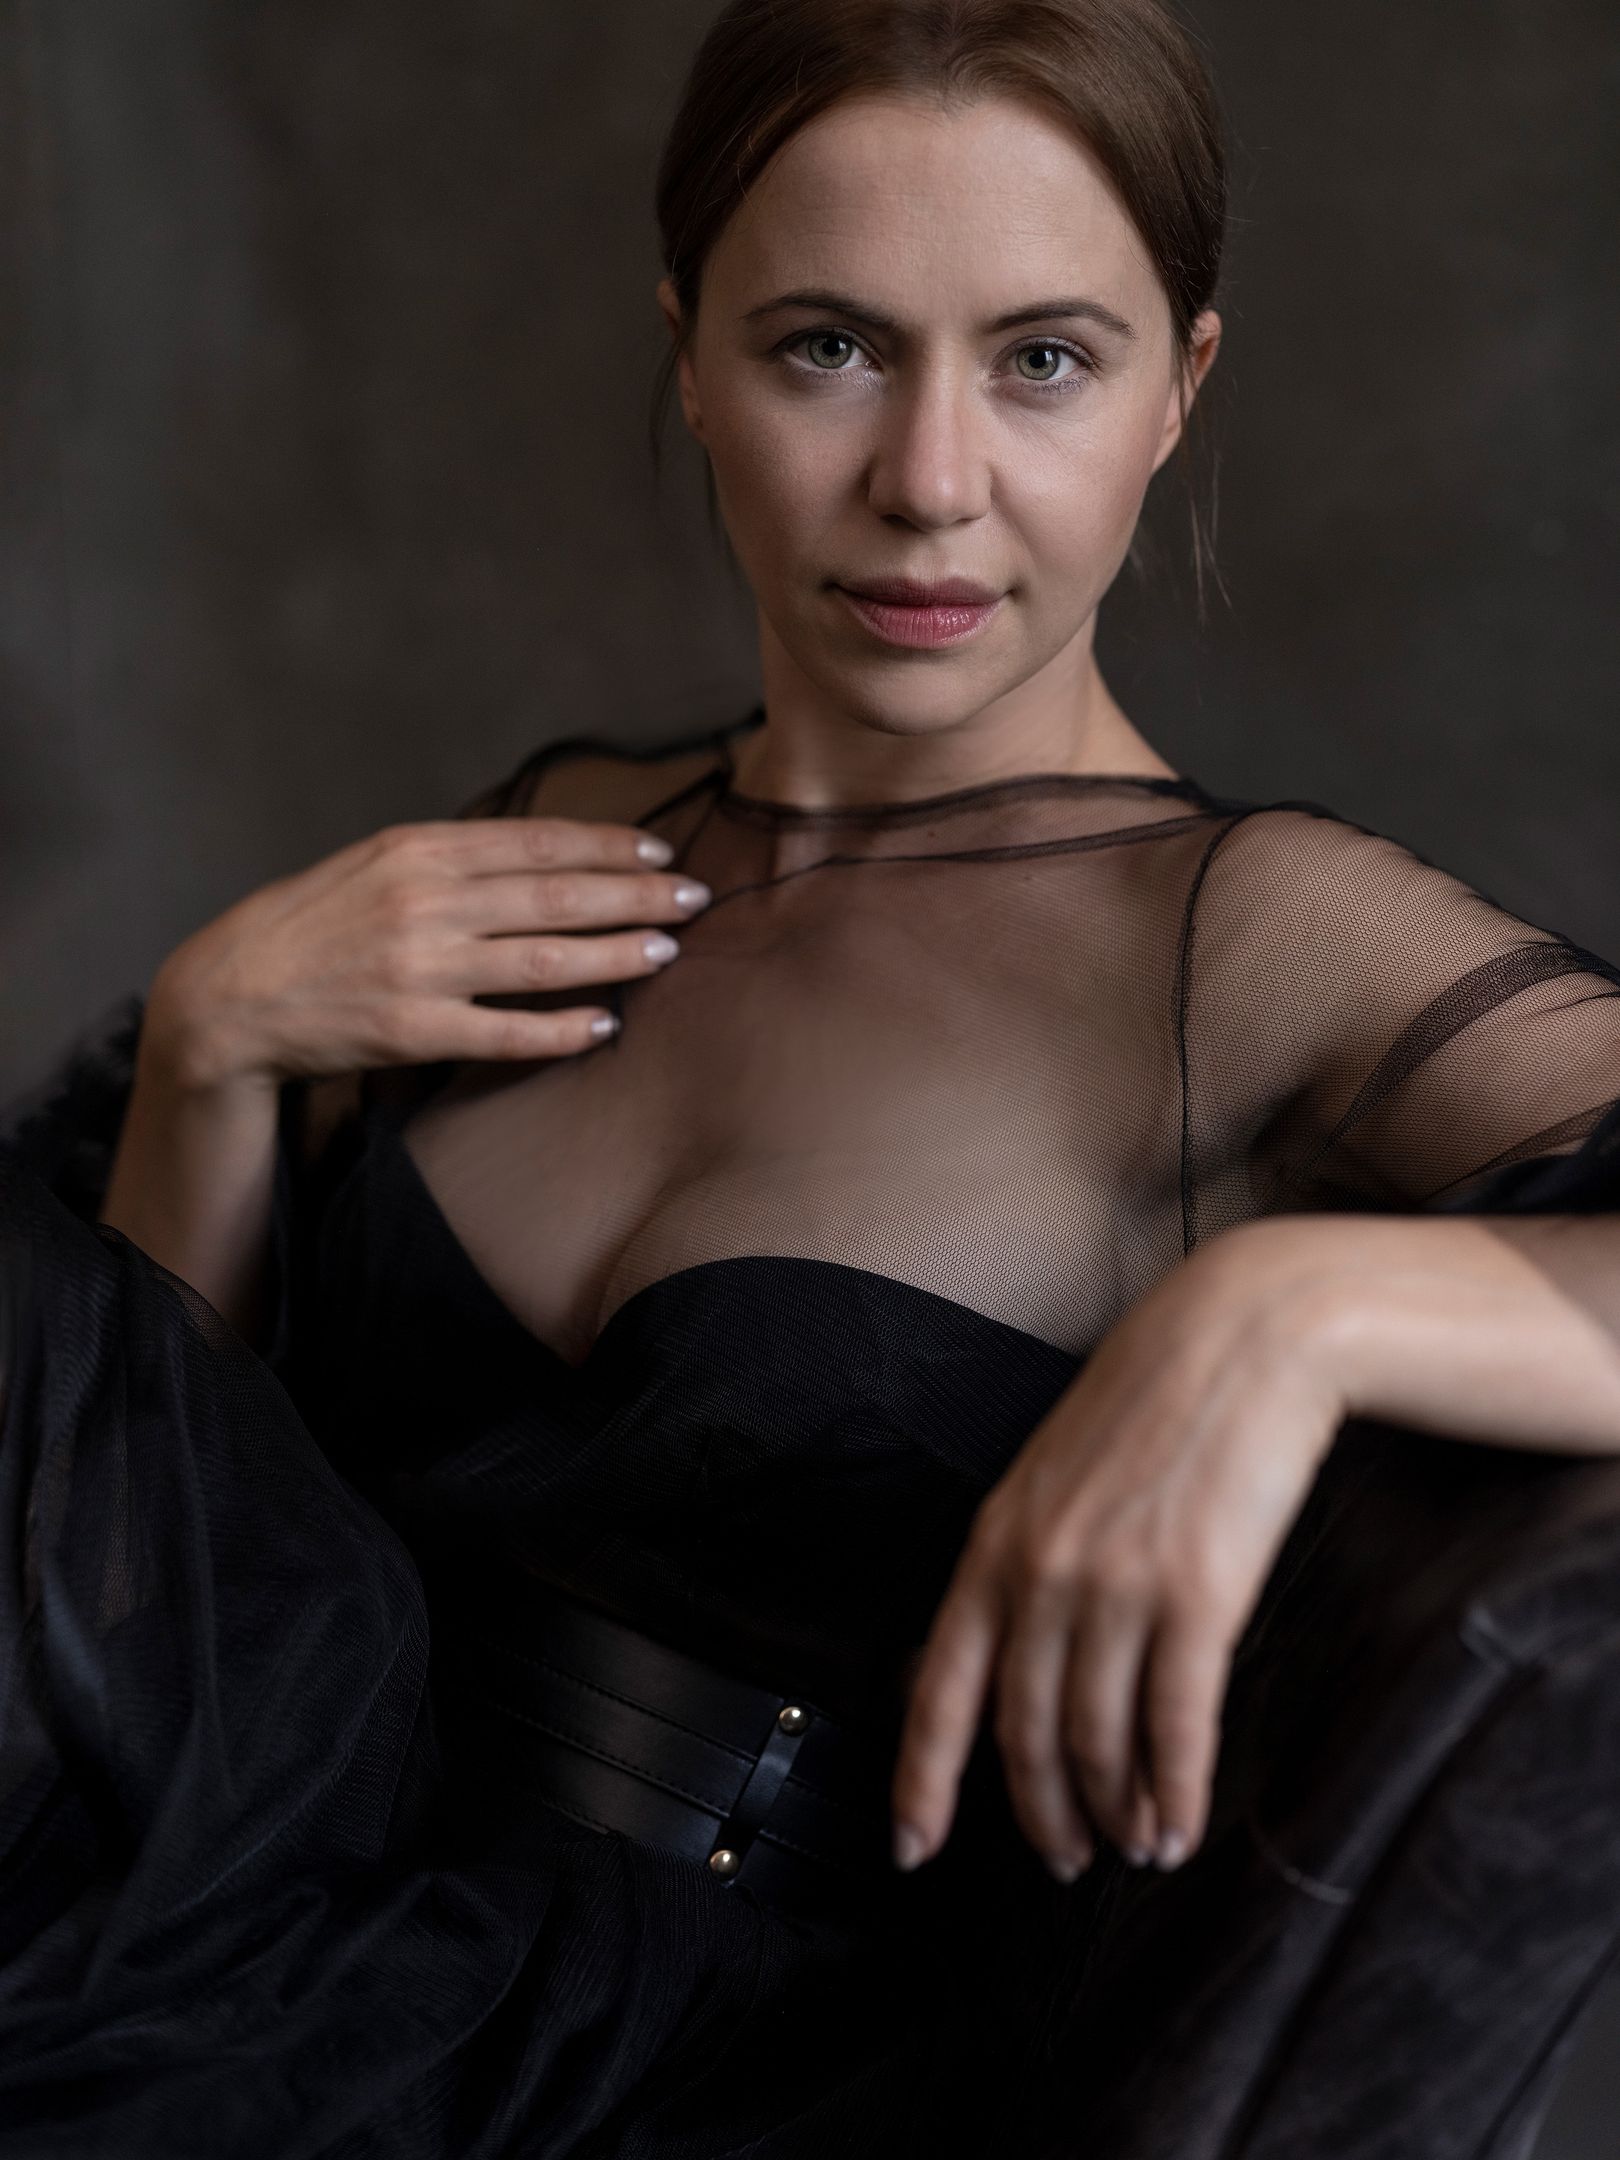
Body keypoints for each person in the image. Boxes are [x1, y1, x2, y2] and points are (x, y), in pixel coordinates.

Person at [3, 0, 1619, 2152]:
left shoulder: (1245, 950)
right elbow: (141, 1597)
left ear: (1180, 388)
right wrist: (210, 1050)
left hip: (726, 2095)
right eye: (828, 348)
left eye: (1044, 360)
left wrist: (1289, 1306)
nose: (930, 482)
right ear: (692, 355)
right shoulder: (568, 838)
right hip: (258, 1958)